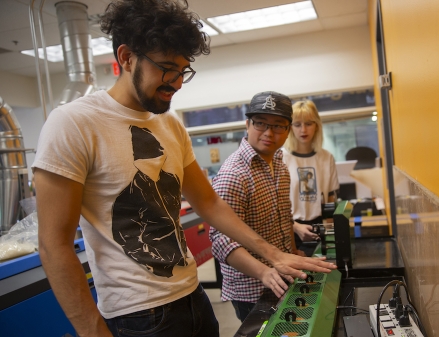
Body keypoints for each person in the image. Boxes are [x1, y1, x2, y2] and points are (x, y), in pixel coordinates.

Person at [32, 1, 335, 336]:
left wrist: (274, 255)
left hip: (192, 297)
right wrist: (93, 332)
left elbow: (208, 203)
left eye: (183, 71)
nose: (176, 83)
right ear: (126, 57)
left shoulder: (170, 124)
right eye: (166, 68)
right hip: (137, 314)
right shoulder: (73, 123)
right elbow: (53, 244)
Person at [209, 91, 301, 322]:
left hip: (283, 277)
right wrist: (264, 272)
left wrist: (293, 252)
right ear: (247, 124)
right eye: (261, 123)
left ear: (288, 130)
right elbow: (221, 241)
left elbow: (284, 217)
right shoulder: (234, 174)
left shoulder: (279, 164)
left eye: (278, 126)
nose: (269, 133)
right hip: (252, 289)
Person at [283, 100, 340, 254]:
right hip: (289, 229)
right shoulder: (281, 159)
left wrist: (329, 237)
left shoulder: (326, 157)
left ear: (317, 126)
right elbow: (274, 206)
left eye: (309, 123)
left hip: (319, 228)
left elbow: (330, 201)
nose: (303, 129)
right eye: (297, 124)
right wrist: (294, 227)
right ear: (290, 127)